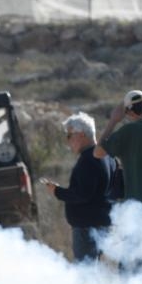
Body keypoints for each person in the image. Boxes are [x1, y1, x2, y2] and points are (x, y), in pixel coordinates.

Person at [42, 112, 116, 261]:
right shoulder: (108, 157)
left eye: (69, 136)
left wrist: (57, 191)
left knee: (86, 275)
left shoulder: (88, 160)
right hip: (102, 225)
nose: (68, 141)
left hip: (87, 228)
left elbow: (82, 194)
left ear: (81, 135)